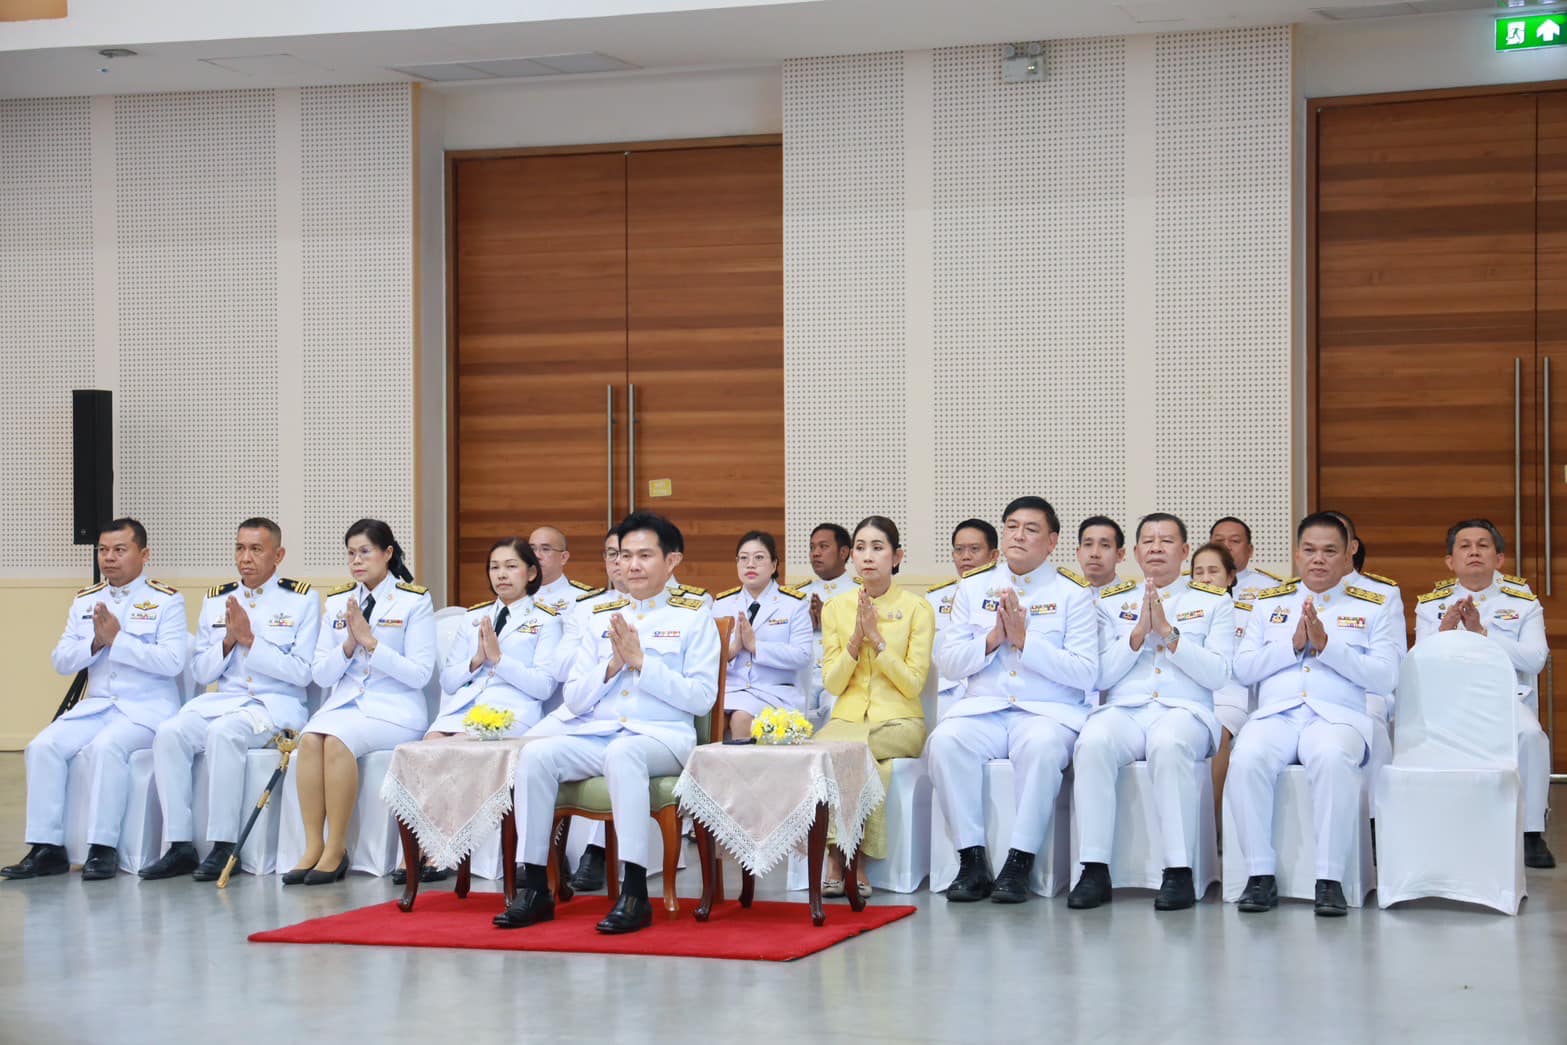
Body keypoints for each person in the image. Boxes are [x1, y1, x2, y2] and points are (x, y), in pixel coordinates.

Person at [496, 512, 719, 934]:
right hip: (598, 733)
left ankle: (634, 892)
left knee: (624, 752)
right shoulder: (599, 615)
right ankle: (535, 886)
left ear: (671, 562)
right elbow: (576, 698)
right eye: (625, 555)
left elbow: (701, 697)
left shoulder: (693, 617)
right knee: (537, 755)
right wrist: (613, 667)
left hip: (662, 736)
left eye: (645, 556)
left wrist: (642, 663)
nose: (632, 565)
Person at [1226, 513, 1405, 916]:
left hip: (1338, 718)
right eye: (1309, 550)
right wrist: (1291, 646)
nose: (1318, 560)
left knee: (1331, 759)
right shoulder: (1269, 603)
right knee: (1247, 757)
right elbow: (1243, 668)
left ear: (1348, 556)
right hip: (1277, 715)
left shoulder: (1374, 604)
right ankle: (1259, 875)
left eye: (1329, 551)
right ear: (1296, 554)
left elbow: (1386, 676)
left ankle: (1329, 879)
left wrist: (1329, 646)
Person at [928, 497, 1097, 904]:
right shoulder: (971, 587)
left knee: (1041, 748)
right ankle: (972, 860)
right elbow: (949, 663)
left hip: (1046, 711)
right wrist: (991, 640)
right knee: (945, 743)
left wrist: (1025, 641)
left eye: (1031, 529)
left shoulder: (1073, 593)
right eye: (1012, 527)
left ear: (1052, 541)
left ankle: (1019, 862)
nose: (1019, 536)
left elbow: (1085, 673)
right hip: (983, 709)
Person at [2, 519, 187, 881]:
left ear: (144, 554)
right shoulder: (87, 600)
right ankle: (47, 848)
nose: (109, 558)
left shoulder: (166, 600)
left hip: (145, 710)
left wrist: (119, 640)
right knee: (42, 746)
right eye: (103, 550)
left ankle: (102, 848)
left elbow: (173, 661)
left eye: (120, 550)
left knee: (107, 749)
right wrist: (95, 643)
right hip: (99, 706)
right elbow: (61, 660)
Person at [1067, 514, 1235, 911]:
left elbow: (1219, 674)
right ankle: (1093, 868)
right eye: (1148, 541)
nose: (1156, 547)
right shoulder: (1110, 603)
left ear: (1185, 550)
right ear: (1137, 552)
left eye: (1166, 540)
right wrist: (1137, 634)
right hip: (1125, 709)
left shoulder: (1213, 602)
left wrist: (1171, 636)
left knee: (1169, 742)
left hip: (1186, 710)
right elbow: (1100, 676)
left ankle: (1177, 870)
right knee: (1091, 743)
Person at [141, 518, 321, 881]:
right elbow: (203, 673)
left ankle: (224, 847)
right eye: (240, 548)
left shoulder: (302, 600)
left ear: (278, 555)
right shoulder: (216, 600)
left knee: (225, 734)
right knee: (170, 732)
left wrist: (251, 641)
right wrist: (227, 641)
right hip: (224, 701)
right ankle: (179, 846)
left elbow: (304, 672)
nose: (245, 558)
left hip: (274, 704)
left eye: (256, 549)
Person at [286, 519, 435, 886]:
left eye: (365, 552)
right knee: (309, 740)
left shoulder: (414, 600)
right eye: (351, 553)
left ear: (387, 554)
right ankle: (312, 846)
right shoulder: (338, 600)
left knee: (336, 741)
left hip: (395, 709)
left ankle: (336, 848)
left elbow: (420, 674)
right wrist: (349, 645)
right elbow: (320, 674)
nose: (356, 560)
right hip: (346, 705)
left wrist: (371, 643)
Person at [1414, 519, 1554, 868]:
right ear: (1450, 561)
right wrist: (1442, 634)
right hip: (1447, 702)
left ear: (1499, 558)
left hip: (1505, 700)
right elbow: (1415, 664)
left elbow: (1536, 660)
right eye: (1464, 546)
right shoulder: (1430, 607)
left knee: (1532, 736)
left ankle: (1531, 834)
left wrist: (1481, 632)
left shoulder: (1524, 603)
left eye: (1483, 545)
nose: (1474, 551)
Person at [817, 515, 934, 896]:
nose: (869, 557)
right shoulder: (836, 609)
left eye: (879, 548)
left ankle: (844, 859)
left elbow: (913, 683)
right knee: (838, 755)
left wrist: (878, 641)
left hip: (900, 722)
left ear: (897, 556)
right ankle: (847, 858)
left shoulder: (918, 608)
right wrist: (855, 640)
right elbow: (833, 683)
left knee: (851, 753)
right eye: (862, 548)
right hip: (848, 719)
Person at [712, 531, 812, 740]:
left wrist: (756, 646)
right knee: (706, 717)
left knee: (741, 718)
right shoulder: (722, 604)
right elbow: (708, 656)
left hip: (773, 693)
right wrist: (732, 650)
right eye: (744, 558)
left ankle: (741, 773)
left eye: (759, 558)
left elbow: (802, 655)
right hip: (730, 690)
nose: (750, 564)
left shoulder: (794, 604)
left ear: (774, 565)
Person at [1189, 541, 1248, 822]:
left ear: (1230, 577)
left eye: (1213, 571)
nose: (1205, 578)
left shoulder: (1249, 613)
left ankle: (1212, 825)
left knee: (1219, 728)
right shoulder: (1183, 612)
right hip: (1191, 690)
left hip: (1231, 693)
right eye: (1198, 572)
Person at [927, 520, 999, 718]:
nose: (965, 557)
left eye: (974, 549)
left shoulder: (1006, 595)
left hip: (989, 694)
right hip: (944, 693)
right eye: (959, 550)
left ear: (994, 555)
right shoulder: (934, 599)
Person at [796, 523, 857, 724]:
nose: (815, 553)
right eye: (812, 547)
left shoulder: (862, 593)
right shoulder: (796, 595)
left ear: (843, 552)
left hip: (842, 680)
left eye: (823, 547)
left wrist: (829, 621)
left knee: (837, 711)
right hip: (802, 679)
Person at [1210, 517, 1289, 603]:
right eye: (1219, 541)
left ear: (1250, 550)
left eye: (1235, 541)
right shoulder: (1195, 584)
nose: (1226, 547)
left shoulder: (1270, 587)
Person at [529, 526, 598, 615]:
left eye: (545, 549)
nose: (536, 555)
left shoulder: (584, 598)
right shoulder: (515, 595)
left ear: (563, 557)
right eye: (532, 549)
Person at [1077, 515, 1128, 594]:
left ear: (1119, 555)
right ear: (1078, 553)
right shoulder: (1064, 597)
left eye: (1105, 545)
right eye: (1088, 544)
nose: (1094, 554)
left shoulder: (1136, 600)